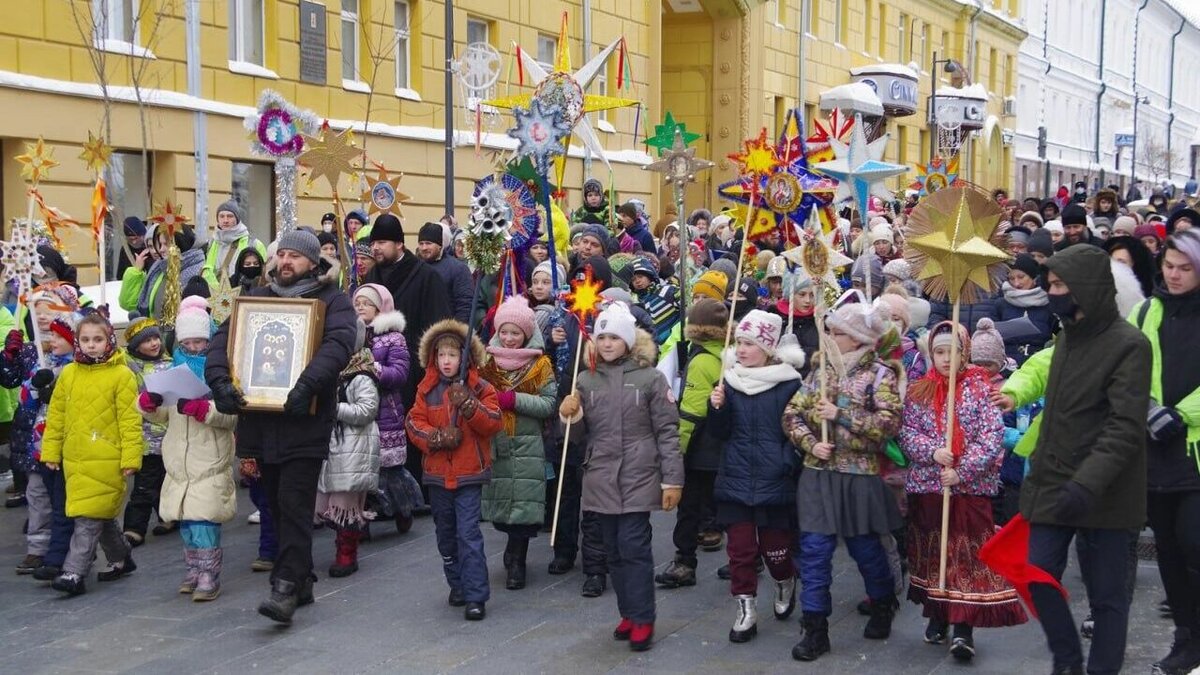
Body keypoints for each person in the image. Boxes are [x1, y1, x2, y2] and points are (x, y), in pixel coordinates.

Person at [1011, 244, 1151, 675]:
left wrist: (1087, 482)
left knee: (1108, 596)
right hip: (1055, 483)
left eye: (1059, 285)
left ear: (1087, 288)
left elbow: (1124, 425)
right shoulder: (1067, 337)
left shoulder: (1130, 344)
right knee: (1037, 573)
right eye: (1049, 285)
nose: (1051, 293)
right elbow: (1054, 415)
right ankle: (1068, 661)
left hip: (1107, 492)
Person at [206, 230, 356, 624]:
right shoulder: (255, 300)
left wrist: (306, 385)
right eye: (282, 255)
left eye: (295, 256)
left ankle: (285, 586)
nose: (285, 261)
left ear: (312, 262)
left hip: (304, 421)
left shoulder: (331, 300)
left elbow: (339, 344)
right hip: (260, 421)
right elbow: (221, 343)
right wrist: (220, 382)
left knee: (294, 502)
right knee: (272, 502)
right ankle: (302, 578)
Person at [558, 302, 683, 652]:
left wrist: (672, 479)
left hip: (639, 475)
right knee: (611, 550)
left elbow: (668, 431)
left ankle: (643, 617)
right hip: (600, 476)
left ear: (628, 341)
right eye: (602, 337)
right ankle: (628, 611)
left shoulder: (651, 379)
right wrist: (572, 415)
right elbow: (575, 437)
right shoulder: (585, 379)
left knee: (634, 548)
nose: (607, 343)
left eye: (614, 337)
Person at [783, 302, 902, 661]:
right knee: (815, 551)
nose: (830, 339)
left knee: (865, 547)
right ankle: (815, 627)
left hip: (859, 475)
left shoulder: (881, 376)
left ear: (857, 339)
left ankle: (883, 601)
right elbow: (792, 413)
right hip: (819, 473)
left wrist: (842, 416)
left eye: (837, 333)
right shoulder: (820, 373)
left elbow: (887, 426)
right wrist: (810, 442)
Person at [900, 321, 1025, 661]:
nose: (944, 359)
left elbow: (991, 437)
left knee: (964, 556)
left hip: (968, 490)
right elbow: (908, 432)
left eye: (951, 352)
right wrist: (932, 452)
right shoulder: (919, 390)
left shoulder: (980, 389)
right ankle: (938, 613)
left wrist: (962, 470)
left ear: (963, 354)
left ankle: (963, 627)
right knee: (934, 553)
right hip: (929, 486)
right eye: (938, 352)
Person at [707, 310, 804, 643]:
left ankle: (784, 579)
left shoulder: (789, 382)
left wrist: (786, 463)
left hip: (774, 479)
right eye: (739, 343)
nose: (742, 350)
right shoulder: (728, 381)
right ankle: (745, 608)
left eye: (749, 343)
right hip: (735, 477)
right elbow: (719, 433)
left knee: (776, 550)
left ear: (768, 347)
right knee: (741, 550)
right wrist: (716, 407)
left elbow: (796, 432)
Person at [1130, 229, 1200, 675]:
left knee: (1194, 541)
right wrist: (1150, 409)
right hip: (1154, 452)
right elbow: (1128, 368)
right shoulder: (1144, 311)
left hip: (1195, 452)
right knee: (1170, 553)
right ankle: (1187, 641)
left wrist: (1181, 413)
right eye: (1169, 266)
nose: (1173, 275)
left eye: (1185, 268)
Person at [138, 302, 236, 602]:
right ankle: (193, 568)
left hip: (210, 459)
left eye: (199, 341)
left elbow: (232, 415)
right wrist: (149, 404)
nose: (193, 347)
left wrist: (205, 409)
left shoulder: (222, 372)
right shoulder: (173, 370)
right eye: (187, 342)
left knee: (204, 519)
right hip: (178, 461)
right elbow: (163, 416)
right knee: (186, 521)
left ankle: (209, 573)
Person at [41, 312, 143, 596]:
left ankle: (74, 572)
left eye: (97, 339)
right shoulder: (70, 374)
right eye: (85, 339)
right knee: (99, 513)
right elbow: (57, 415)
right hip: (75, 457)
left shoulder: (121, 375)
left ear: (109, 340)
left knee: (88, 517)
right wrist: (51, 451)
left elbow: (130, 420)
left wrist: (131, 458)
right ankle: (121, 557)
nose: (91, 345)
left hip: (107, 457)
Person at [406, 319, 503, 620]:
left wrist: (470, 407)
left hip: (468, 473)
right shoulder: (427, 389)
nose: (447, 361)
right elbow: (413, 423)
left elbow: (493, 422)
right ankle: (457, 583)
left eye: (453, 355)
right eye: (441, 355)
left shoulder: (480, 387)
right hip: (437, 474)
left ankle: (476, 595)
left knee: (468, 534)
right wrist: (435, 438)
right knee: (446, 535)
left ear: (465, 358)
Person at [479, 296, 558, 591]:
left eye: (516, 333)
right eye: (506, 332)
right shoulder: (487, 363)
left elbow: (549, 403)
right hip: (497, 441)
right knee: (502, 507)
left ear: (527, 333)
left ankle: (517, 560)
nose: (510, 339)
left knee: (524, 509)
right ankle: (511, 552)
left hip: (528, 443)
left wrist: (513, 400)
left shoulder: (540, 365)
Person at [656, 299, 729, 590]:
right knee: (727, 506)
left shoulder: (700, 361)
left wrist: (678, 452)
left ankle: (685, 562)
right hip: (723, 446)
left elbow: (691, 413)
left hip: (701, 449)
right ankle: (747, 558)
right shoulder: (727, 355)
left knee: (689, 508)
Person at [4, 317, 76, 574]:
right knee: (37, 495)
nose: (52, 341)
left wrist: (56, 393)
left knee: (62, 500)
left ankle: (67, 549)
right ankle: (37, 548)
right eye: (51, 336)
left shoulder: (76, 368)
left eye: (59, 337)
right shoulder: (43, 364)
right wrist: (35, 387)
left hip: (66, 446)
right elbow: (25, 399)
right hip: (39, 445)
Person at [364, 214, 453, 416]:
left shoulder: (426, 276)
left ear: (399, 244)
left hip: (414, 371)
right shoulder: (371, 276)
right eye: (373, 243)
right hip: (377, 368)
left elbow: (439, 327)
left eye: (382, 242)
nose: (375, 247)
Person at [352, 284, 421, 532]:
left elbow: (400, 374)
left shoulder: (394, 338)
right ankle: (360, 522)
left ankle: (403, 509)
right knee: (360, 470)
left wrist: (372, 369)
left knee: (389, 471)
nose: (360, 306)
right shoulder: (351, 335)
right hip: (357, 411)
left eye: (366, 303)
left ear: (380, 307)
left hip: (385, 413)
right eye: (357, 302)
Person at [317, 320, 380, 579]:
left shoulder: (361, 375)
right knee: (326, 502)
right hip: (333, 445)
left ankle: (347, 551)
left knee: (346, 504)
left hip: (354, 446)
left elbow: (368, 409)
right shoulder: (330, 371)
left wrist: (335, 410)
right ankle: (343, 543)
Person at [120, 317, 174, 546]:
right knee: (144, 485)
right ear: (135, 346)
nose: (153, 343)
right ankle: (134, 528)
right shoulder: (130, 367)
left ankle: (168, 516)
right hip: (145, 437)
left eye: (155, 338)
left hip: (170, 434)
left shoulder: (170, 363)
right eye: (146, 340)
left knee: (167, 480)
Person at [120, 225, 206, 321]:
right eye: (160, 244)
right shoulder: (160, 269)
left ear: (180, 244)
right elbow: (132, 303)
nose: (160, 249)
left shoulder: (200, 273)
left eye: (166, 244)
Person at [995, 254, 1055, 365]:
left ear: (1033, 278)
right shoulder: (1001, 304)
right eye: (1011, 278)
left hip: (1038, 364)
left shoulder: (1048, 305)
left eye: (1021, 277)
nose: (1016, 283)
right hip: (1007, 365)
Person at [415, 221, 473, 324]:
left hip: (445, 333)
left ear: (440, 245)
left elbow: (465, 305)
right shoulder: (415, 267)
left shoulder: (458, 269)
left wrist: (454, 333)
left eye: (428, 243)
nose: (424, 248)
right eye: (421, 243)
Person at [204, 201, 266, 286]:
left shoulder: (254, 244)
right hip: (215, 295)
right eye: (222, 216)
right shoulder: (212, 242)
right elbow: (207, 270)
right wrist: (216, 290)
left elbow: (264, 273)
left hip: (243, 293)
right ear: (217, 219)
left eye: (230, 216)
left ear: (237, 219)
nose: (225, 220)